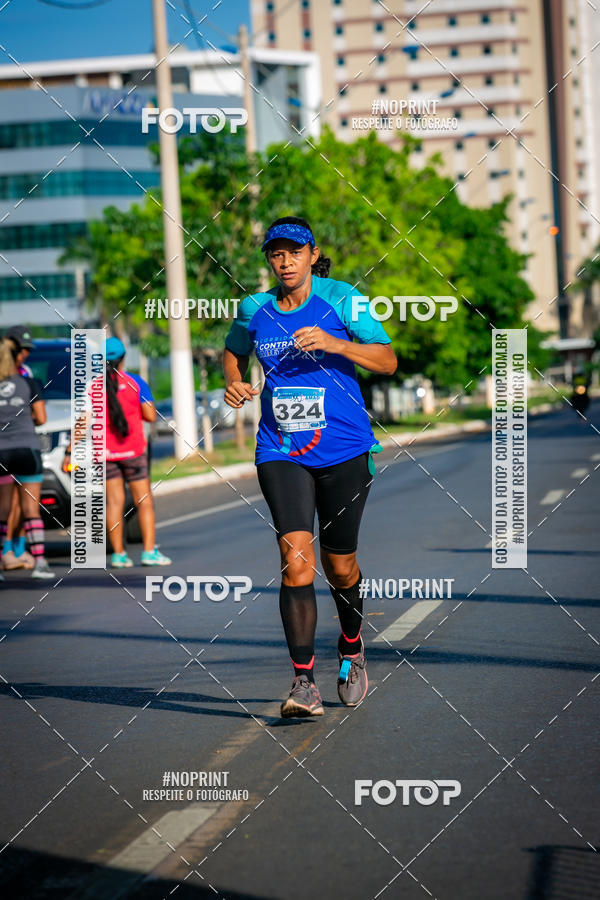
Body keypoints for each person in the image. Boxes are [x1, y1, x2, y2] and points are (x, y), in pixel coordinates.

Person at [223, 216, 396, 717]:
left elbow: (387, 361)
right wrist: (233, 381)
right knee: (296, 561)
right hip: (280, 449)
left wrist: (335, 343)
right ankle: (303, 683)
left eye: (294, 252)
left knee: (340, 567)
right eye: (276, 254)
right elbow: (233, 352)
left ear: (313, 255)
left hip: (345, 449)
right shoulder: (253, 309)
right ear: (268, 259)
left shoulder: (344, 299)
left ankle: (352, 646)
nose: (285, 262)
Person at [63, 336, 171, 568]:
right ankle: (149, 552)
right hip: (133, 452)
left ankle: (119, 555)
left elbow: (84, 421)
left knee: (113, 504)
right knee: (144, 501)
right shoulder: (136, 382)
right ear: (123, 358)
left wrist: (69, 451)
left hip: (106, 455)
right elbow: (150, 416)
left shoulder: (92, 387)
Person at [0, 337, 54, 580]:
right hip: (27, 449)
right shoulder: (29, 383)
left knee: (2, 510)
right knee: (31, 509)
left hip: (2, 451)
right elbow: (41, 418)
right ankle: (40, 563)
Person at [2, 326, 36, 570]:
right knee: (9, 502)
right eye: (21, 349)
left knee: (22, 501)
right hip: (9, 445)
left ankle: (20, 547)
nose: (25, 354)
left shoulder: (26, 374)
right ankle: (7, 550)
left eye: (27, 349)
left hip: (24, 442)